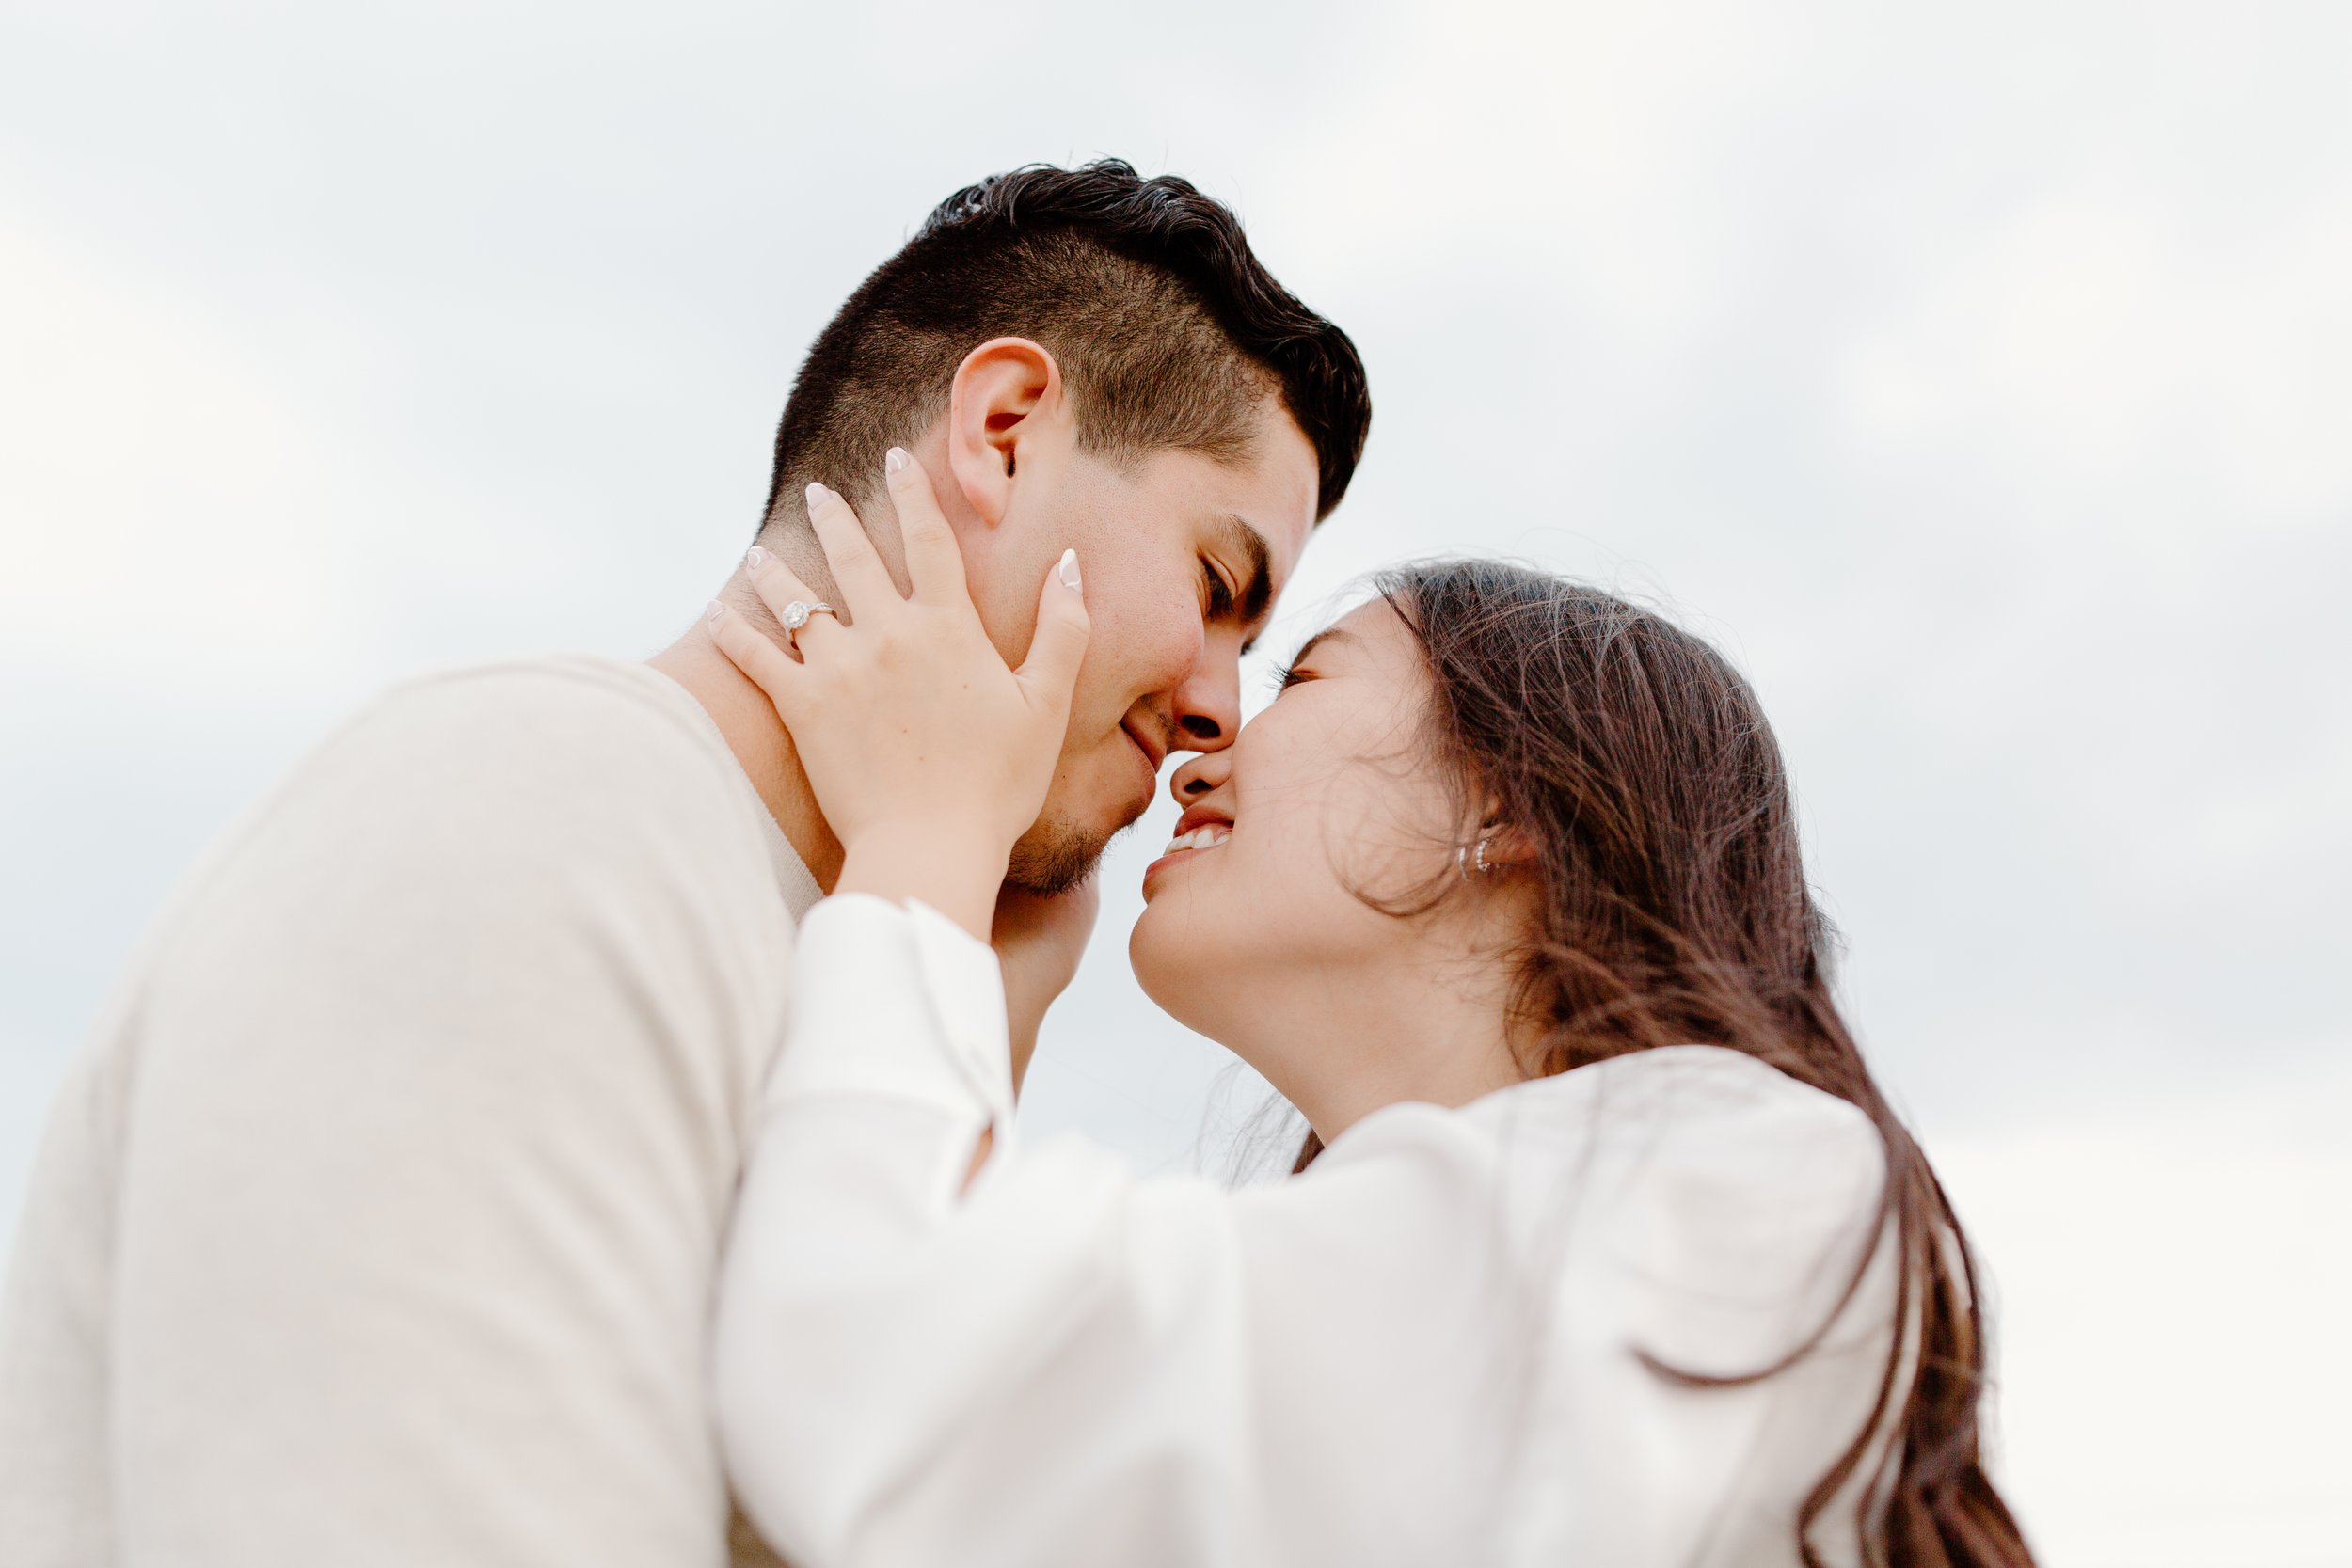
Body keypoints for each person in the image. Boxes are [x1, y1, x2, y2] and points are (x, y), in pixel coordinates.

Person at [0, 162, 1369, 1567]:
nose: (1220, 706)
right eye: (1217, 588)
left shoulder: (788, 936)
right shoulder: (544, 816)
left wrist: (960, 1007)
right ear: (1006, 433)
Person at [700, 459, 2038, 1567]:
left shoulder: (1755, 1187)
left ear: (1508, 803)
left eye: (1308, 678)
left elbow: (879, 1385)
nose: (1206, 733)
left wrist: (925, 847)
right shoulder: (1547, 1269)